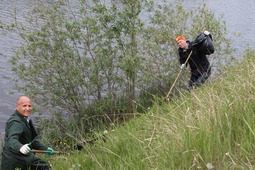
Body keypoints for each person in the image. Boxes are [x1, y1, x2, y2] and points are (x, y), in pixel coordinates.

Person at [1, 96, 54, 170]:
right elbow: (11, 140)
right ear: (17, 107)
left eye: (29, 106)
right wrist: (20, 147)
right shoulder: (15, 122)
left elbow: (31, 141)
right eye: (24, 106)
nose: (28, 108)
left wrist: (45, 148)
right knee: (44, 167)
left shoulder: (26, 119)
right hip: (13, 160)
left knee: (44, 166)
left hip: (23, 157)